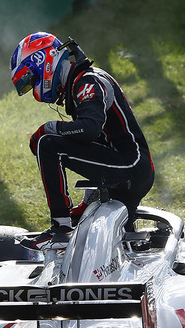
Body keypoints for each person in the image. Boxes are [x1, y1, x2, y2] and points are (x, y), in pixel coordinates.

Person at [9, 32, 155, 250]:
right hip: (130, 169)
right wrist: (89, 201)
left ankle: (60, 228)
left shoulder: (87, 81)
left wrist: (50, 128)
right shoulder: (81, 81)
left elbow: (89, 129)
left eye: (31, 80)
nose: (34, 90)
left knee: (47, 144)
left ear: (43, 64)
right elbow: (98, 142)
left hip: (131, 167)